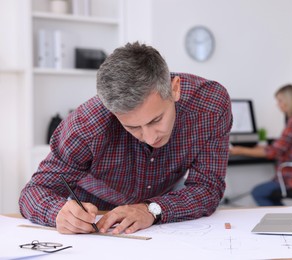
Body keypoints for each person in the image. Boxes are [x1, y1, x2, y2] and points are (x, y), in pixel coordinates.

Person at [19, 42, 232, 235]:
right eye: (132, 127)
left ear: (174, 89)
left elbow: (207, 188)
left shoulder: (210, 106)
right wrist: (58, 213)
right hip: (96, 223)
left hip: (163, 218)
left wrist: (151, 210)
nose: (149, 137)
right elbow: (33, 192)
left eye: (156, 120)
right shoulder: (86, 125)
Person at [229, 84, 292, 206]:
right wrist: (257, 148)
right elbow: (284, 145)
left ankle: (285, 218)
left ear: (289, 101)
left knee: (258, 192)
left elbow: (274, 151)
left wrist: (239, 150)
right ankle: (287, 216)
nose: (278, 104)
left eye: (280, 100)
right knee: (264, 192)